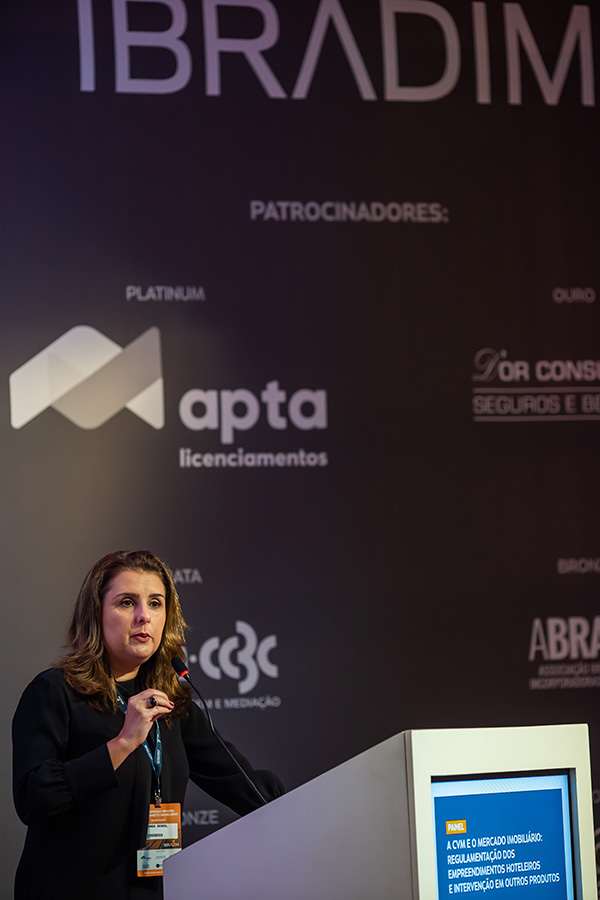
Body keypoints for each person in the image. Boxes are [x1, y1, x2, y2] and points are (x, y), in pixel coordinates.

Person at [12, 550, 283, 899]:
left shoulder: (171, 704)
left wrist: (304, 806)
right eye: (127, 603)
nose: (144, 616)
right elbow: (34, 798)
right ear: (96, 613)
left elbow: (242, 782)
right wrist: (123, 743)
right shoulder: (54, 692)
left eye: (155, 603)